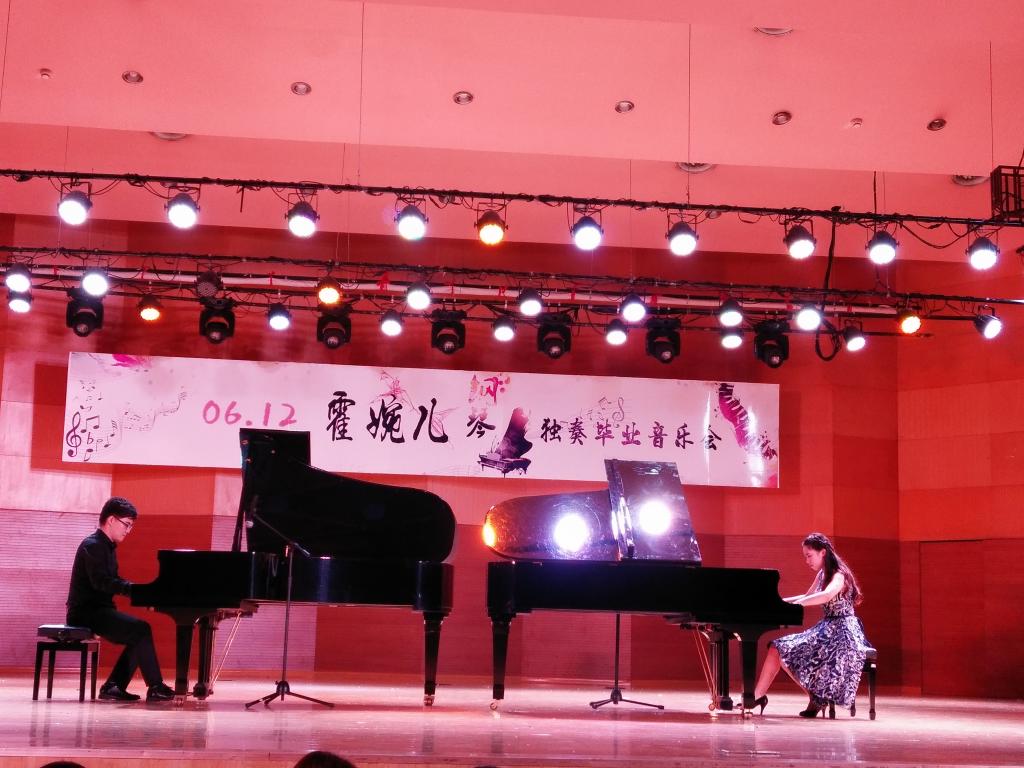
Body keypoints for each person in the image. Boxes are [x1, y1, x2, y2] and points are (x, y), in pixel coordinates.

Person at [65, 497, 175, 703]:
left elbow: (112, 581)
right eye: (127, 524)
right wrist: (134, 591)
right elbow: (101, 582)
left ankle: (113, 686)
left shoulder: (105, 546)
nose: (128, 530)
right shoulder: (93, 545)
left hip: (96, 611)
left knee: (139, 633)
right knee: (141, 630)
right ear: (111, 520)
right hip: (85, 613)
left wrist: (139, 594)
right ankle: (155, 686)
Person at [752, 532, 871, 717]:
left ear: (822, 552)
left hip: (843, 633)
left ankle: (817, 698)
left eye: (809, 555)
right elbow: (808, 596)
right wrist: (780, 602)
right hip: (828, 628)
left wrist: (797, 604)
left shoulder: (839, 574)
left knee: (783, 650)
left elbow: (826, 595)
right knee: (777, 648)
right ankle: (757, 697)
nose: (807, 561)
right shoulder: (823, 573)